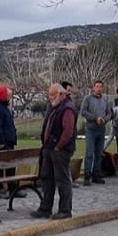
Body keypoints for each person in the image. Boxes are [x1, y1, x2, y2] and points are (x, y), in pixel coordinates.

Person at [31, 83, 77, 220]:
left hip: (60, 150)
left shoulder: (67, 108)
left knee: (62, 180)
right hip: (49, 148)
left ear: (62, 94)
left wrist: (58, 146)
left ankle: (65, 210)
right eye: (49, 96)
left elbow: (68, 132)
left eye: (53, 95)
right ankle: (45, 208)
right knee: (47, 179)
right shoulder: (54, 106)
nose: (51, 98)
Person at [0, 85, 26, 198]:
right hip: (2, 144)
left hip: (8, 143)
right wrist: (1, 143)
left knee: (10, 166)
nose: (10, 98)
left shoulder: (3, 109)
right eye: (9, 96)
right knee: (0, 167)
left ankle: (12, 187)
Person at [79, 80, 112, 185]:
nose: (99, 88)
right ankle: (87, 176)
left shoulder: (105, 100)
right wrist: (95, 118)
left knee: (99, 154)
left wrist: (104, 119)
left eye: (100, 86)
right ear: (93, 88)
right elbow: (83, 112)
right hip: (90, 130)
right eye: (97, 86)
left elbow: (109, 113)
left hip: (101, 130)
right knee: (89, 153)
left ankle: (96, 175)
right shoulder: (87, 99)